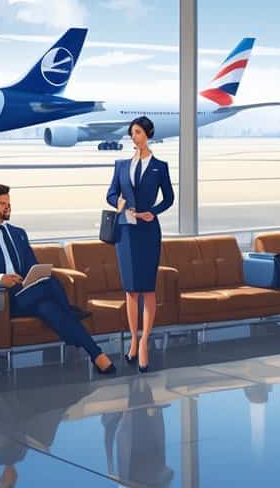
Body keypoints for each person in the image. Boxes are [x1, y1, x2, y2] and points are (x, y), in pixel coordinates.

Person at [0, 184, 115, 375]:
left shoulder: (18, 233)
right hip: (5, 297)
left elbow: (33, 266)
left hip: (29, 293)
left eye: (9, 203)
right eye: (2, 204)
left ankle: (97, 355)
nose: (8, 208)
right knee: (49, 287)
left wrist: (34, 276)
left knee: (47, 306)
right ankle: (71, 314)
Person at [106, 116, 174, 373]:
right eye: (131, 133)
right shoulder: (121, 165)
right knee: (131, 290)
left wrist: (153, 212)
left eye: (136, 132)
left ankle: (145, 341)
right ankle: (133, 339)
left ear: (147, 134)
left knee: (147, 289)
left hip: (147, 231)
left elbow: (169, 198)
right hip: (125, 232)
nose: (132, 137)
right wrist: (119, 203)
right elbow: (110, 193)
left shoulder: (160, 166)